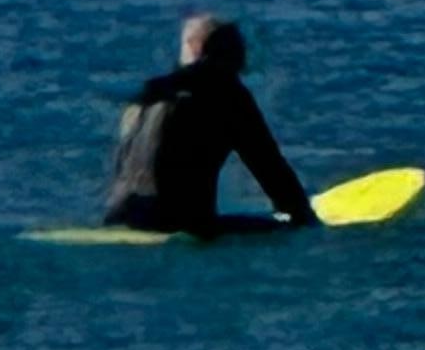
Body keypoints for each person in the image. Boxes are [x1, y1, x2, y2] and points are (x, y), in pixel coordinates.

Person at [101, 15, 318, 234]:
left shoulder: (145, 95)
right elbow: (270, 169)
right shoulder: (227, 94)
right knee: (284, 225)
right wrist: (304, 220)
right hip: (177, 225)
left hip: (118, 216)